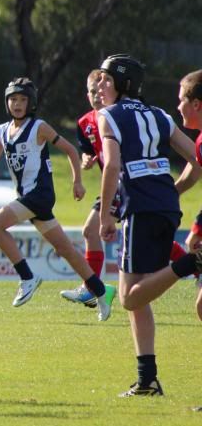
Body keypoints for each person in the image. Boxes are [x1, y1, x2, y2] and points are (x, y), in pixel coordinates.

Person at [0, 77, 115, 319]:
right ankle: (101, 291)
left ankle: (27, 277)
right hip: (29, 198)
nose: (17, 104)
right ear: (7, 102)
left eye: (23, 99)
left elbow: (70, 150)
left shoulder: (39, 127)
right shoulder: (2, 131)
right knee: (65, 248)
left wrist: (77, 181)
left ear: (31, 103)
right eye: (13, 99)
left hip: (39, 195)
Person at [94, 56, 202, 397]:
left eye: (105, 81)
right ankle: (147, 380)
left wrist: (105, 216)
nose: (99, 87)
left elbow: (111, 166)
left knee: (128, 297)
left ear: (120, 84)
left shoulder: (107, 115)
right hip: (166, 208)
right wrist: (172, 190)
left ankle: (192, 263)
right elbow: (196, 161)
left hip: (139, 209)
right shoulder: (159, 115)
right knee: (140, 296)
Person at [61, 70, 190, 309]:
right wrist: (86, 161)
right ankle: (94, 288)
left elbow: (114, 161)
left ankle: (93, 288)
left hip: (127, 184)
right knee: (98, 232)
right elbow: (92, 153)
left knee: (95, 231)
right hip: (116, 185)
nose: (97, 95)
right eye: (92, 91)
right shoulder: (85, 123)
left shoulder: (117, 116)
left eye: (103, 87)